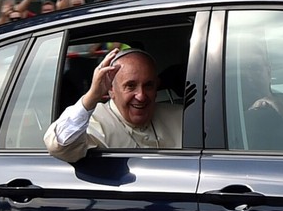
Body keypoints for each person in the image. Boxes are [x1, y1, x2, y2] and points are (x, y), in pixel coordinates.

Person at [44, 48, 182, 163]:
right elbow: (61, 145)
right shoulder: (94, 124)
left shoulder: (181, 116)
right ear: (111, 89)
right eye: (130, 86)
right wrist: (92, 96)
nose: (141, 95)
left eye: (148, 86)